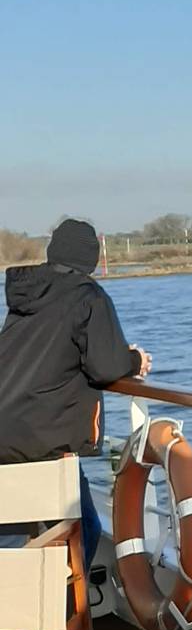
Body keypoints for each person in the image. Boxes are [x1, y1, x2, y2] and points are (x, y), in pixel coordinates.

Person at [0, 218, 151, 566]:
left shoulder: (26, 295)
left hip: (7, 431)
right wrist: (134, 360)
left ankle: (25, 609)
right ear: (92, 258)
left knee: (15, 531)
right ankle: (61, 615)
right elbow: (105, 366)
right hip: (44, 439)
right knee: (84, 531)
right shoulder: (88, 296)